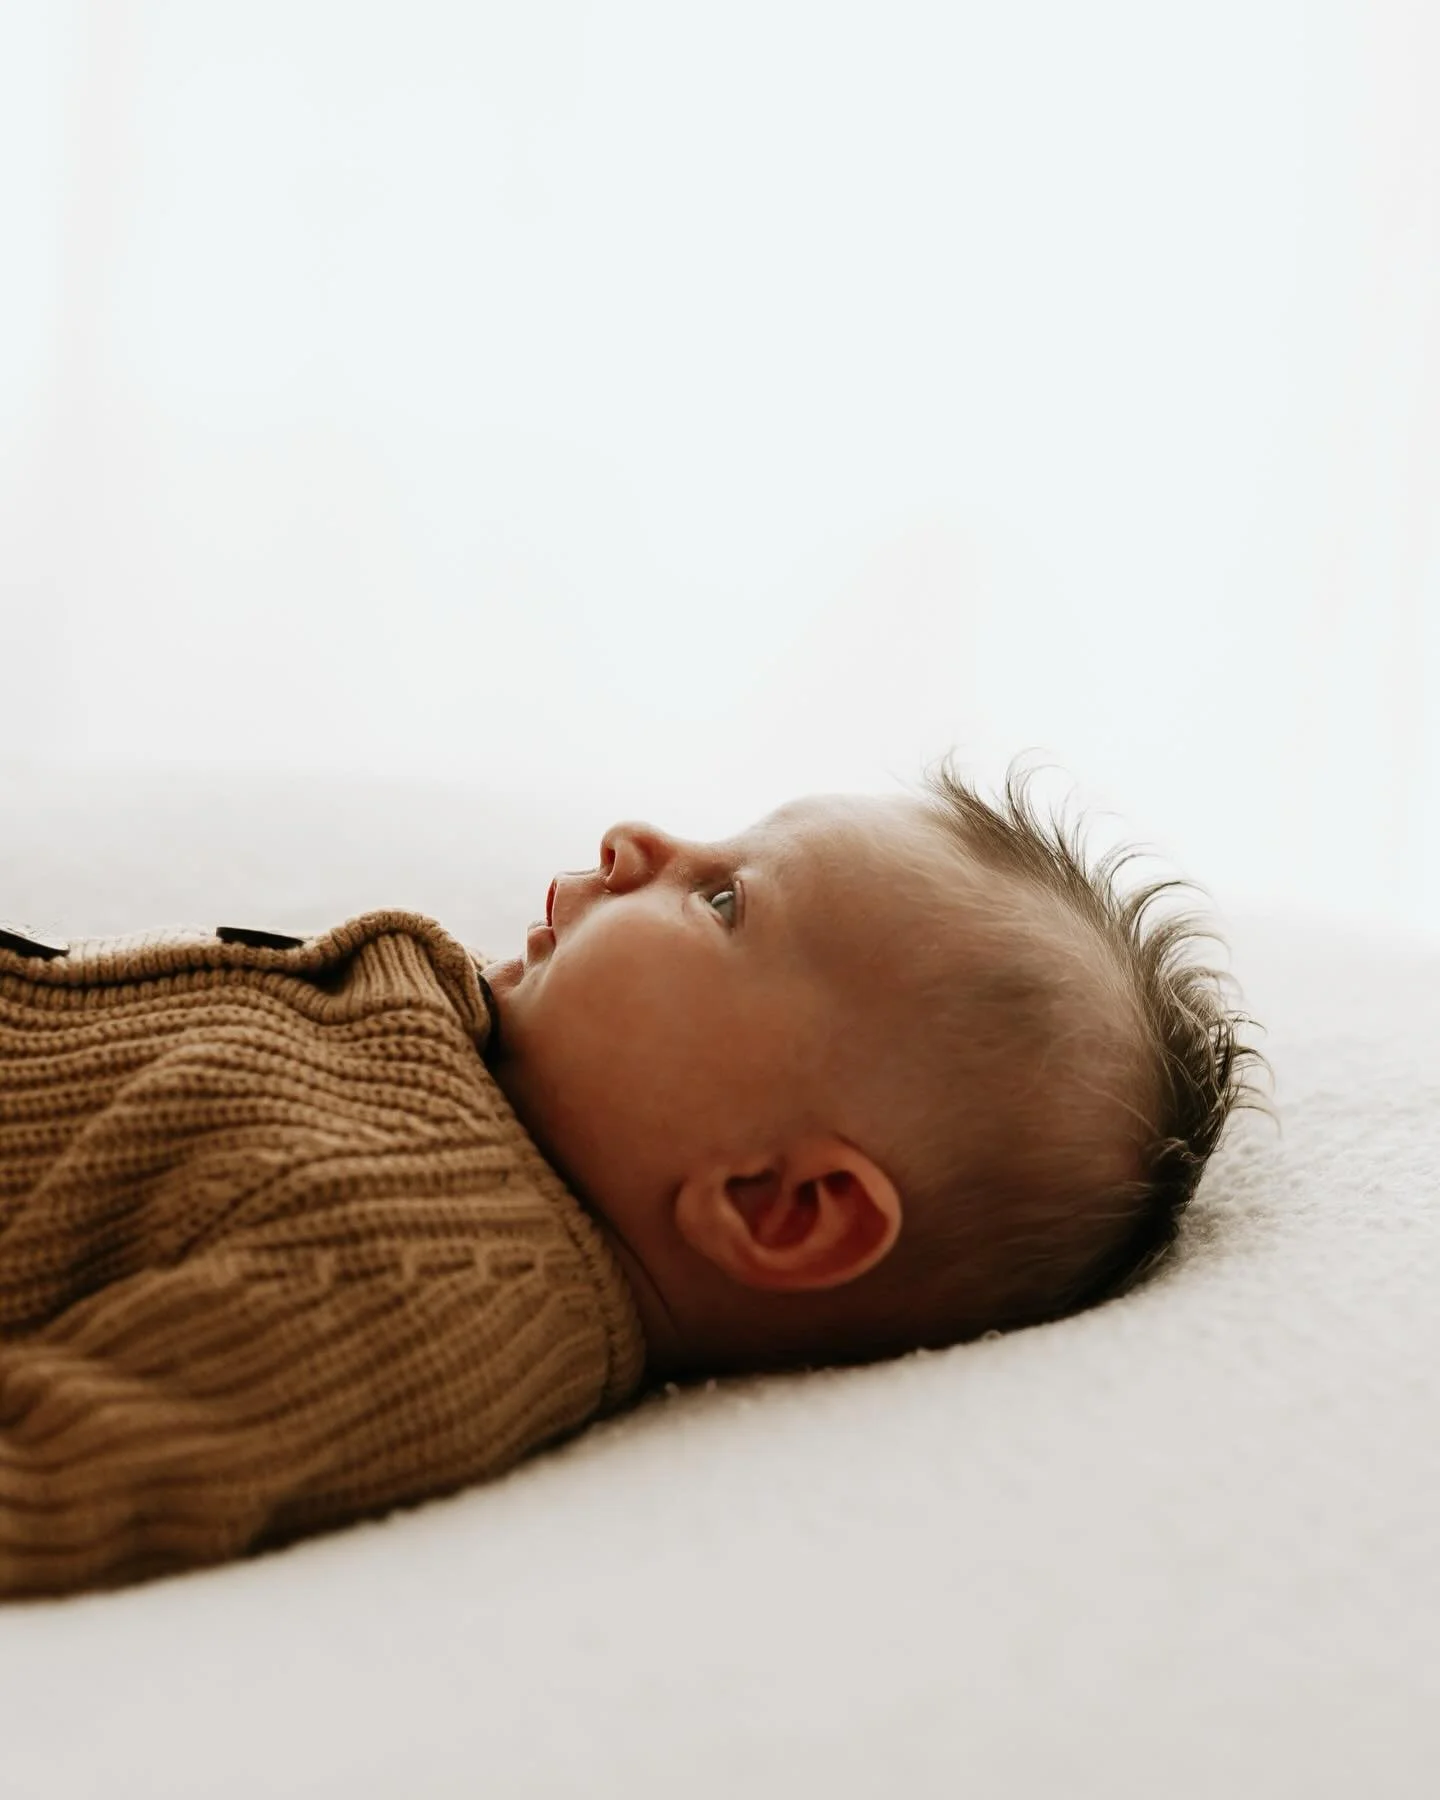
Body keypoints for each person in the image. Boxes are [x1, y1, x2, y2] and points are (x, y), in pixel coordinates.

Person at [0, 755, 1266, 1597]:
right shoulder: (478, 1047)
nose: (636, 840)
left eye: (722, 902)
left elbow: (66, 1474)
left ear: (780, 1206)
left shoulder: (428, 1286)